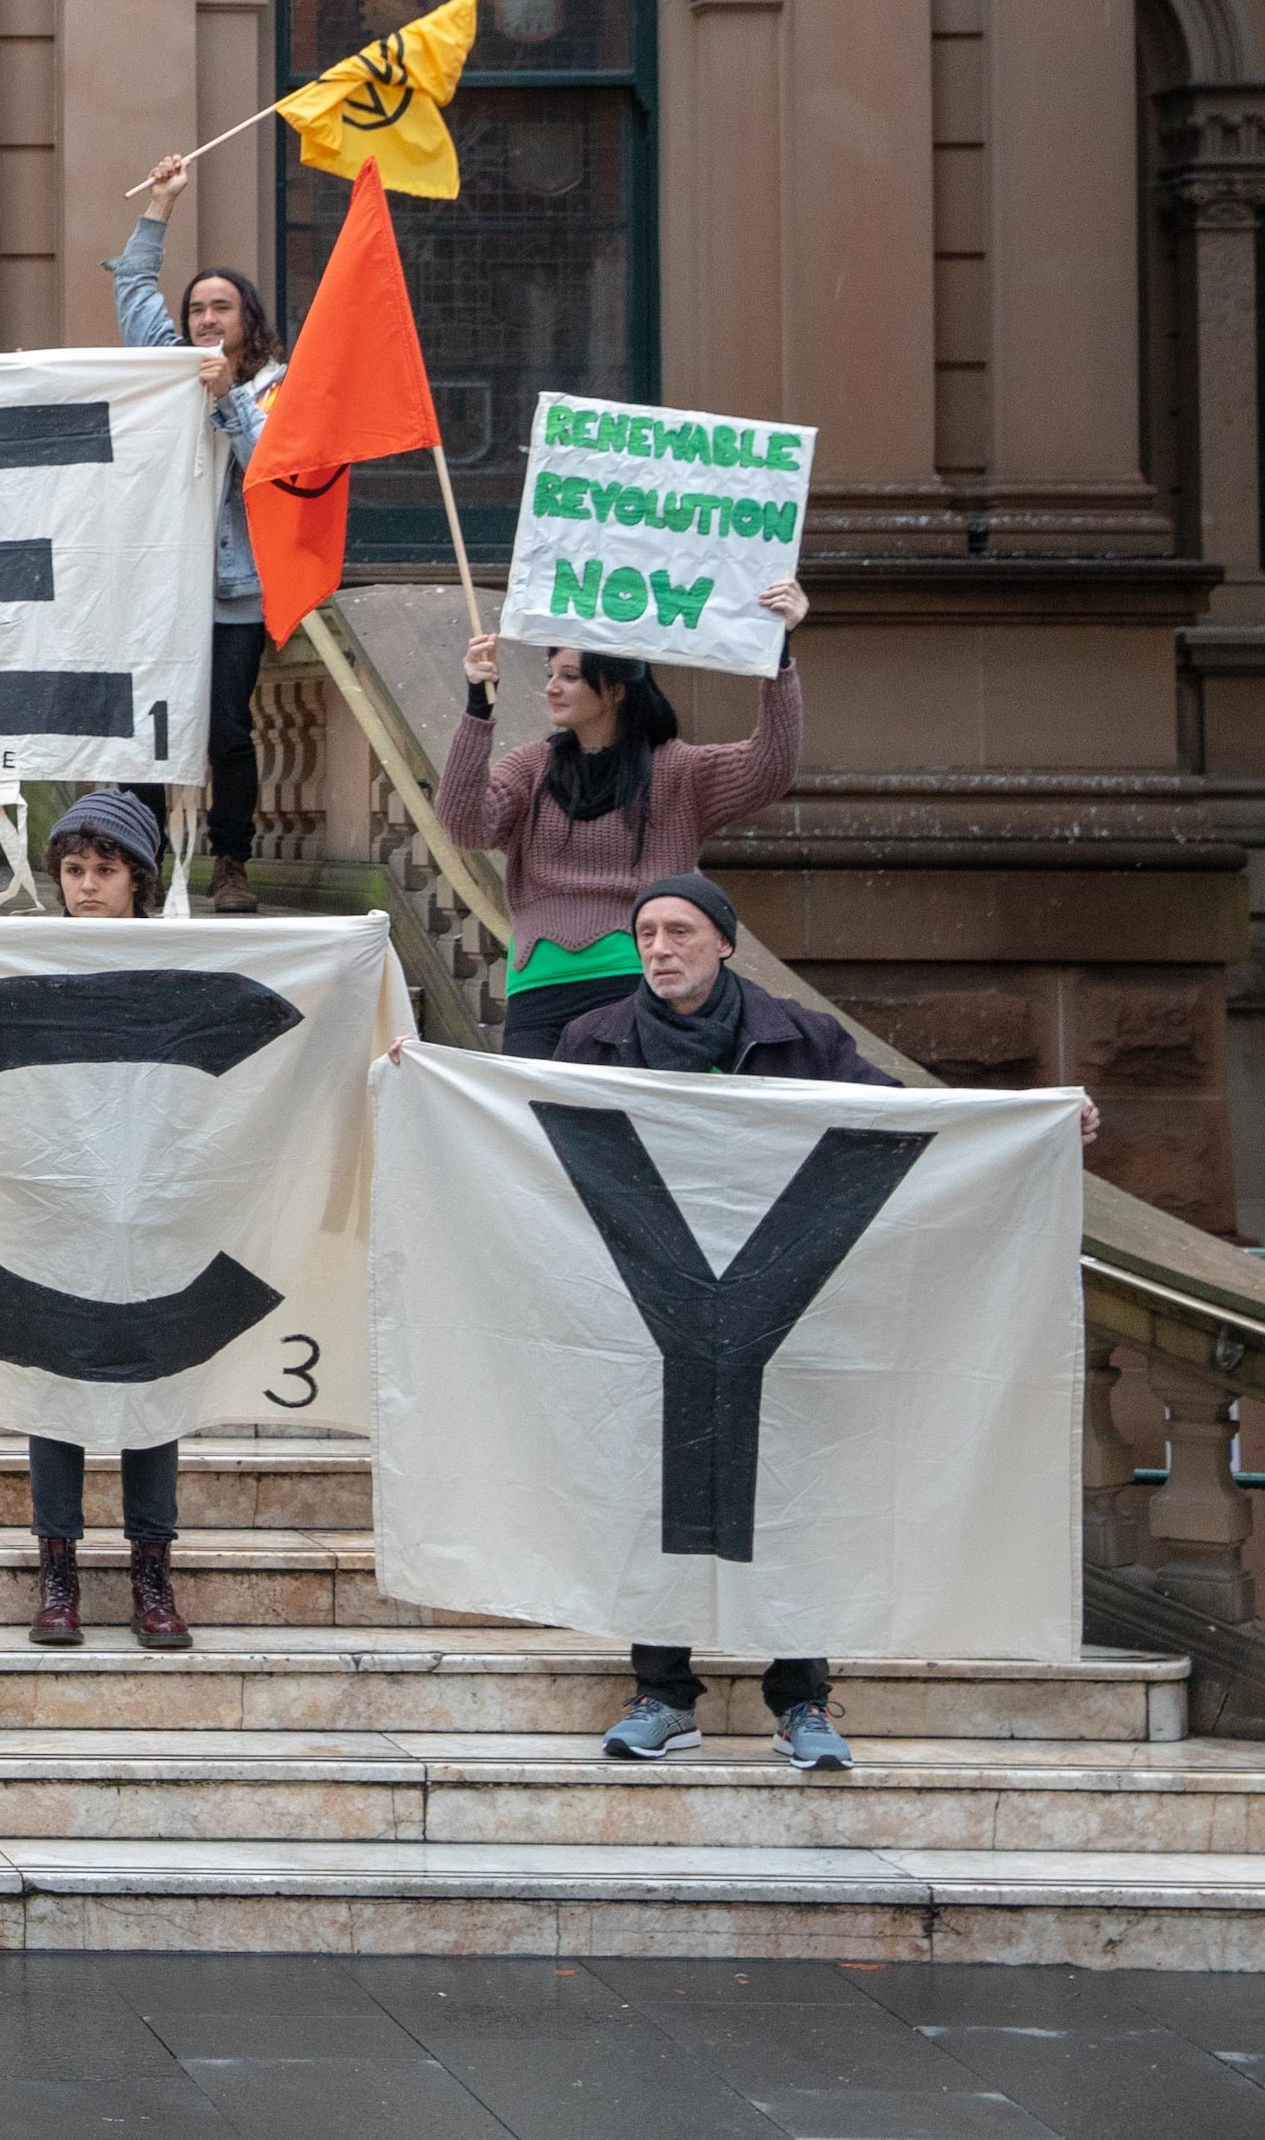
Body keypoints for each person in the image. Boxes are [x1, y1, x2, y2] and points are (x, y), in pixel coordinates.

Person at [557, 875, 1083, 1773]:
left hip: (783, 1315)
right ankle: (662, 1693)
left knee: (793, 1504)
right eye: (646, 933)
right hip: (655, 1320)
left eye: (680, 931)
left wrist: (1039, 1121)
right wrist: (423, 1086)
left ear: (725, 942)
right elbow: (514, 1133)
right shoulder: (592, 1040)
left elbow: (907, 1124)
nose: (659, 949)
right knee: (657, 1505)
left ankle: (800, 1699)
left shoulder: (803, 1036)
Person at [443, 584, 810, 1054]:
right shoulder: (531, 766)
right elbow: (464, 824)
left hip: (636, 981)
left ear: (614, 690)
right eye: (550, 672)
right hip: (537, 987)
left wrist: (778, 656)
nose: (552, 686)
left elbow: (770, 766)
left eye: (570, 676)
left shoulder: (676, 769)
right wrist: (478, 707)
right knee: (537, 1121)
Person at [17, 788, 190, 1652]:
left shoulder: (180, 964)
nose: (87, 886)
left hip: (155, 1207)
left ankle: (151, 1572)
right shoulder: (33, 960)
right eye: (75, 871)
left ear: (139, 879)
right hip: (59, 1205)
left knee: (150, 1393)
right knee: (58, 1387)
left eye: (105, 871)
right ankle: (59, 1571)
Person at [118, 157, 288, 915]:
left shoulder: (276, 388)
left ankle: (230, 864)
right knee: (151, 728)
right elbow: (131, 289)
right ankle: (141, 863)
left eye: (222, 308)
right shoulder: (169, 367)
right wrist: (160, 205)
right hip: (163, 587)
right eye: (197, 311)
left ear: (247, 319)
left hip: (234, 592)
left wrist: (227, 403)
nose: (208, 321)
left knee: (224, 727)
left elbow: (269, 473)